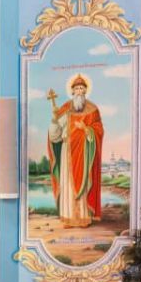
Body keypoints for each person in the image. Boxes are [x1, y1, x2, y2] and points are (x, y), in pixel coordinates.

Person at [48, 75, 104, 229]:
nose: (79, 91)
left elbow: (99, 131)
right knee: (67, 184)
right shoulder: (65, 108)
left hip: (84, 154)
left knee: (84, 184)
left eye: (82, 88)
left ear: (85, 90)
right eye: (76, 88)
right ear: (72, 91)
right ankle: (68, 218)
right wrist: (54, 120)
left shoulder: (93, 110)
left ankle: (83, 217)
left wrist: (86, 129)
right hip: (67, 152)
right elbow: (55, 134)